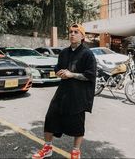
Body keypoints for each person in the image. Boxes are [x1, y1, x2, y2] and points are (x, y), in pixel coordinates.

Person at [32, 23, 97, 159]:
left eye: (76, 32)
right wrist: (59, 73)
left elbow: (90, 76)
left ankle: (75, 152)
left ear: (82, 36)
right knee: (50, 117)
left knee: (77, 124)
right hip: (63, 92)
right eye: (71, 32)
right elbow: (58, 67)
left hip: (79, 94)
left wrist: (72, 74)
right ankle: (47, 147)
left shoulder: (88, 54)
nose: (72, 34)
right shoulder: (64, 52)